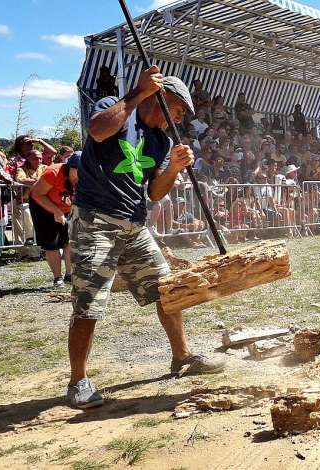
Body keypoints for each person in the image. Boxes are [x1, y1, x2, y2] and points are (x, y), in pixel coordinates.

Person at [67, 66, 225, 409]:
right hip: (96, 220)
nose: (178, 117)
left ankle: (181, 357)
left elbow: (154, 192)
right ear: (161, 98)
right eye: (178, 109)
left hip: (134, 226)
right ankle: (78, 380)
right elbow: (96, 132)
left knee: (167, 290)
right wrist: (136, 94)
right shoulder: (116, 106)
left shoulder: (160, 140)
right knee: (89, 300)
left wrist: (173, 169)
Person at [29, 154, 80, 287]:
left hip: (66, 207)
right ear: (70, 168)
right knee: (52, 242)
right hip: (42, 204)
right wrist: (56, 211)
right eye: (78, 170)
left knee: (70, 239)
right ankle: (57, 277)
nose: (82, 174)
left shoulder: (90, 176)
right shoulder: (54, 172)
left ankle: (69, 275)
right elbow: (36, 193)